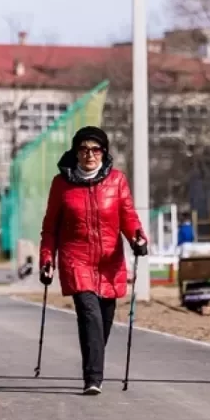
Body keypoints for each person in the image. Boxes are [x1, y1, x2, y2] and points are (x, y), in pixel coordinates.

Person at [38, 125, 148, 396]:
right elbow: (50, 227)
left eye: (95, 149)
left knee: (104, 320)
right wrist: (46, 258)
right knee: (90, 315)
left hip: (109, 261)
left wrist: (138, 239)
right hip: (76, 259)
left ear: (104, 153)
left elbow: (128, 216)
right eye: (84, 149)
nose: (90, 154)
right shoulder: (61, 184)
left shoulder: (117, 180)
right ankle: (93, 378)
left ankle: (93, 365)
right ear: (76, 152)